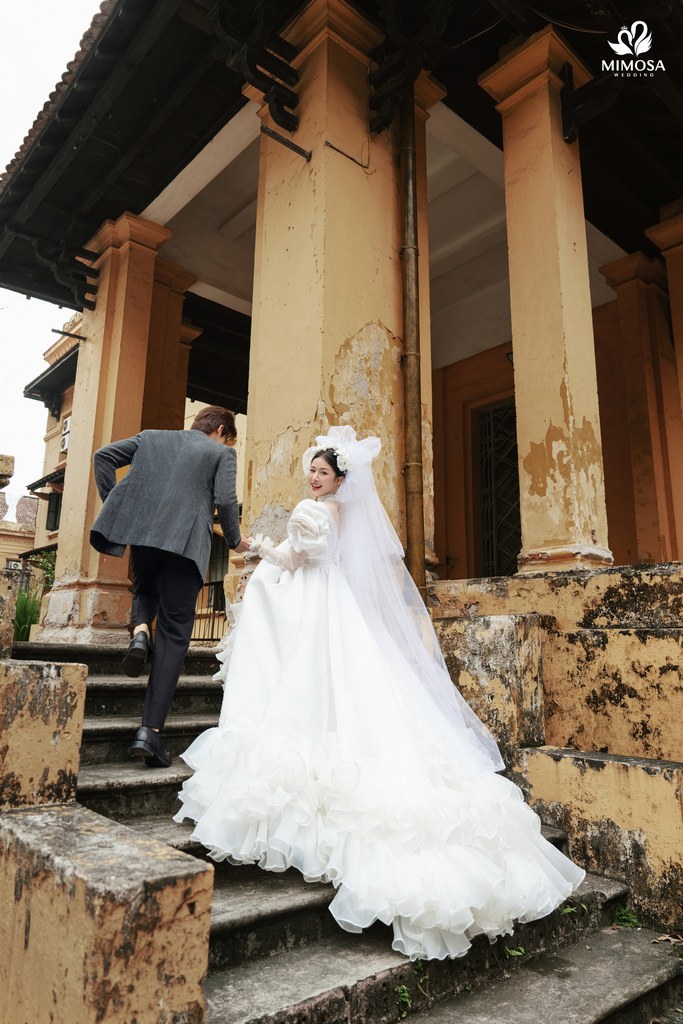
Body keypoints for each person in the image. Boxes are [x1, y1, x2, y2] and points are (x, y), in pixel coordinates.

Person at [174, 426, 585, 960]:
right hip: (332, 600)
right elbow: (318, 558)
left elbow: (295, 561)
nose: (313, 477)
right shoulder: (341, 513)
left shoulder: (312, 510)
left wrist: (256, 548)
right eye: (312, 471)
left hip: (314, 602)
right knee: (342, 688)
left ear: (338, 479)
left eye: (323, 472)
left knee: (309, 682)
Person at [90, 406, 250, 768]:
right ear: (220, 429)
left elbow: (103, 457)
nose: (227, 444)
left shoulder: (152, 437)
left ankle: (141, 631)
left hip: (145, 538)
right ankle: (149, 732)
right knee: (175, 635)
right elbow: (226, 500)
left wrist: (119, 506)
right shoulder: (221, 454)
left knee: (144, 591)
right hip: (187, 547)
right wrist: (234, 539)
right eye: (228, 438)